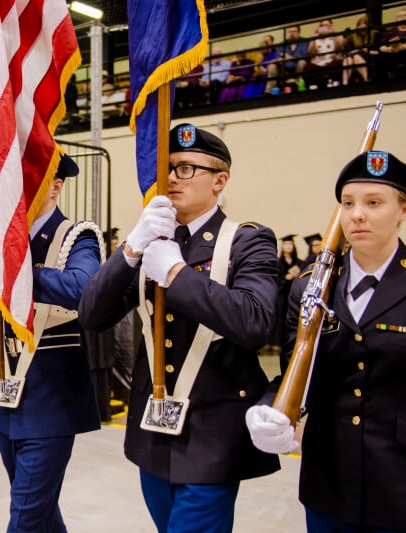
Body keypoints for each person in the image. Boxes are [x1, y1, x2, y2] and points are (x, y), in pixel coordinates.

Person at [246, 150, 406, 533]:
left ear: (405, 209)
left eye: (374, 203)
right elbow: (296, 372)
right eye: (348, 203)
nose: (357, 214)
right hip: (329, 487)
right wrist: (267, 409)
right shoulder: (312, 286)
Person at [79, 123, 280, 533]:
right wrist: (131, 248)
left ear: (219, 180)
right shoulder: (150, 240)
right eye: (167, 168)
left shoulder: (246, 241)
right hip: (153, 428)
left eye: (186, 168)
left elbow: (254, 321)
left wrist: (175, 272)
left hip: (213, 433)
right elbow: (91, 315)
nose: (171, 178)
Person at [0, 153, 102, 532]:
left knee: (24, 518)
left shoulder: (76, 235)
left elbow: (81, 288)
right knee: (40, 512)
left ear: (55, 186)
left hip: (52, 397)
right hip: (8, 391)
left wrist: (14, 269)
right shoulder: (3, 238)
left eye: (33, 180)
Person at [273, 234, 303, 348]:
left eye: (290, 244)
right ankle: (278, 343)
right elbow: (276, 279)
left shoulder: (299, 262)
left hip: (294, 295)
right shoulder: (278, 262)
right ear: (282, 246)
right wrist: (286, 278)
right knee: (281, 318)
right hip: (282, 295)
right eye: (286, 244)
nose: (288, 246)